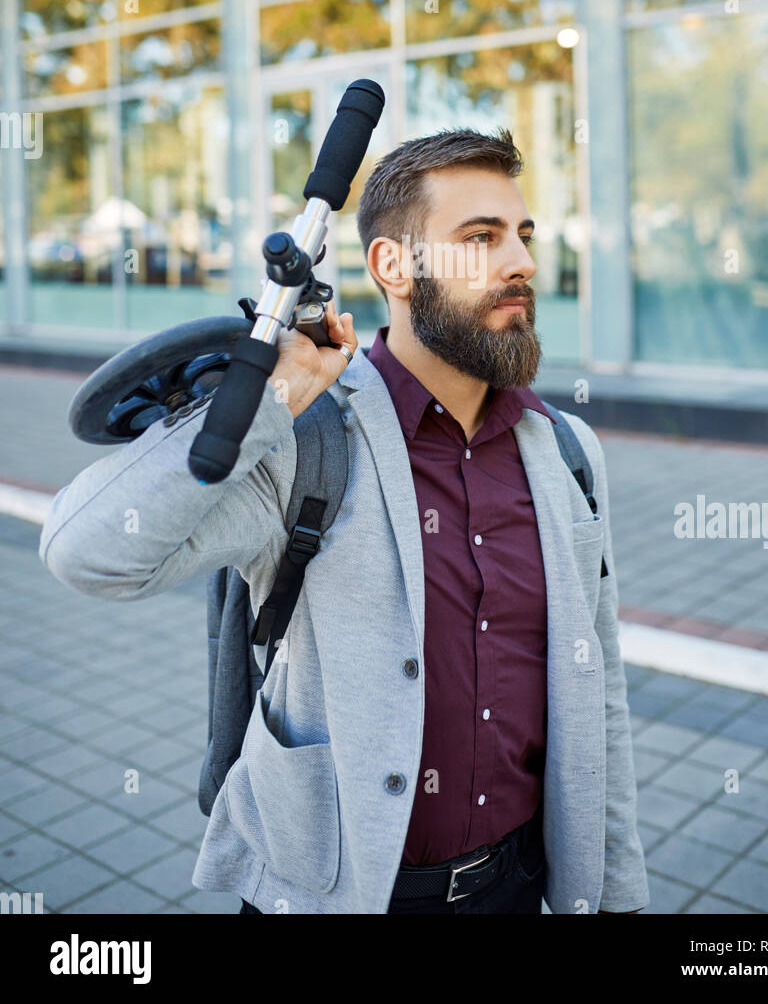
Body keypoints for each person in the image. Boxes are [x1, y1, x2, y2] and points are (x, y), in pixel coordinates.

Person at [40, 128, 648, 916]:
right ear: (394, 267)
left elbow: (598, 689)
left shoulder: (569, 453)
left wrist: (620, 895)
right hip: (335, 894)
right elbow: (84, 552)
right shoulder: (306, 440)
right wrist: (270, 396)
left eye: (524, 235)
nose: (522, 261)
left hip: (515, 887)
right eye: (481, 238)